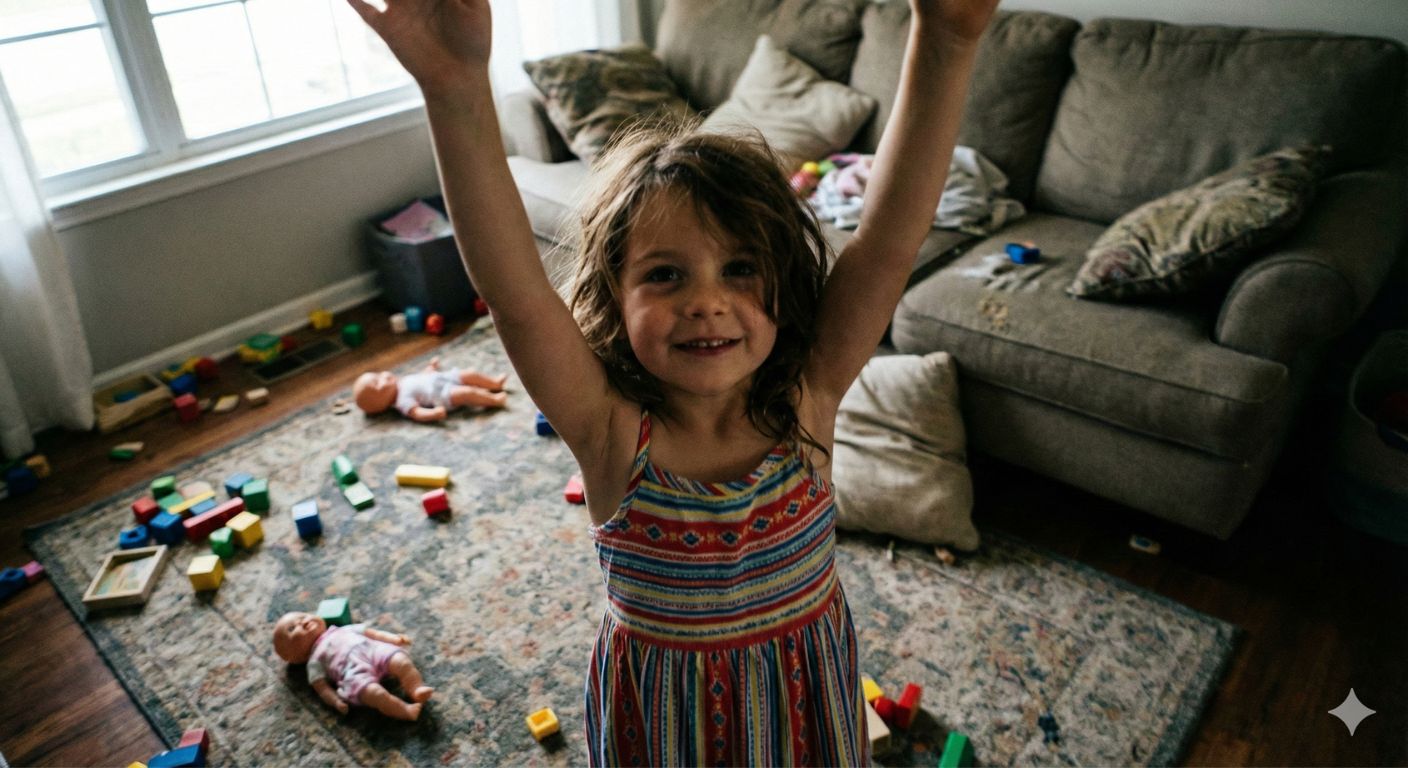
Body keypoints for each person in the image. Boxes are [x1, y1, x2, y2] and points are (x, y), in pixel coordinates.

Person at [348, 0, 997, 762]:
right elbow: (520, 297)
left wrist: (947, 39)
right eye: (664, 274)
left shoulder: (808, 397)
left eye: (741, 268)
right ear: (613, 302)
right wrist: (455, 89)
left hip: (805, 713)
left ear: (785, 287)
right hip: (665, 729)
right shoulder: (608, 428)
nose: (706, 302)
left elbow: (887, 243)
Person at [273, 611, 434, 721]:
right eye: (292, 628)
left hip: (373, 650)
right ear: (296, 657)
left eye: (303, 615)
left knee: (401, 660)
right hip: (353, 672)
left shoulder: (342, 629)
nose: (301, 621)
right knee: (375, 694)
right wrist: (335, 702)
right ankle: (404, 710)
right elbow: (322, 688)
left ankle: (415, 689)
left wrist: (394, 639)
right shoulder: (314, 662)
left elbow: (373, 633)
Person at [352, 356, 508, 422]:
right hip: (442, 394)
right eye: (378, 382)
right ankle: (494, 400)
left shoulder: (403, 381)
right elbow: (417, 413)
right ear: (382, 403)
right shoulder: (402, 401)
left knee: (470, 374)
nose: (383, 375)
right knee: (468, 393)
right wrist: (433, 413)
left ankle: (494, 384)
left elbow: (422, 377)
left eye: (377, 375)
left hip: (443, 378)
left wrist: (431, 367)